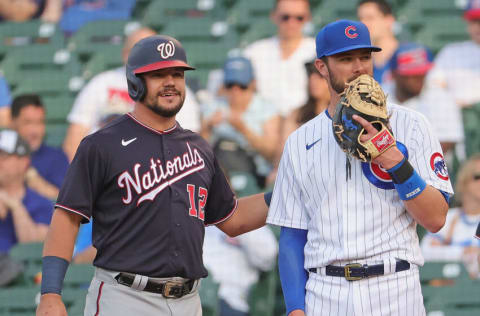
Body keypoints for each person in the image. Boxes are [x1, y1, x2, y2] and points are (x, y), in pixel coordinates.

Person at [36, 35, 272, 316]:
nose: (170, 81)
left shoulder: (199, 148)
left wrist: (287, 193)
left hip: (188, 300)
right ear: (136, 83)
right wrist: (51, 293)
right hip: (125, 296)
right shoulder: (101, 144)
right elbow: (67, 217)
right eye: (158, 75)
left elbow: (233, 218)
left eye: (177, 73)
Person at [267, 20, 453, 316]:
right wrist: (295, 309)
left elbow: (435, 219)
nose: (359, 67)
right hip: (327, 292)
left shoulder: (412, 125)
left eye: (365, 57)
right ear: (322, 67)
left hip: (394, 286)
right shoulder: (299, 141)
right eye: (345, 59)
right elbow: (292, 236)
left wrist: (396, 163)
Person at [62, 27, 201, 162]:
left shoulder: (175, 90)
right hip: (102, 167)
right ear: (125, 55)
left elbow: (188, 148)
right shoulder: (101, 83)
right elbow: (73, 141)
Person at [201, 56, 281, 185]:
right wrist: (208, 127)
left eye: (242, 86)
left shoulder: (266, 108)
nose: (235, 91)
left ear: (252, 84)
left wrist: (243, 129)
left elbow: (271, 154)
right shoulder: (213, 106)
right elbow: (197, 153)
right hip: (218, 172)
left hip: (254, 175)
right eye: (230, 85)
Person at [384, 43, 464, 155]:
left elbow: (447, 141)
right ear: (394, 74)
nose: (419, 78)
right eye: (411, 74)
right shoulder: (379, 95)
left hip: (431, 166)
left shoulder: (441, 96)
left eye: (422, 73)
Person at [243, 0, 316, 116]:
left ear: (308, 18)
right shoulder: (255, 52)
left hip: (304, 122)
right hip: (263, 124)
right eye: (285, 17)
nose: (292, 23)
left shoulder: (317, 50)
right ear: (274, 16)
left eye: (299, 18)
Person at [203, 225, 278, 316]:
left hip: (227, 299)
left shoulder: (249, 220)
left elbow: (268, 256)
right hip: (190, 293)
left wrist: (235, 217)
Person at [0, 129, 53, 254]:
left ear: (24, 162)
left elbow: (32, 247)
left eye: (3, 156)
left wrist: (16, 207)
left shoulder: (41, 204)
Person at [421, 154, 480, 265]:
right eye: (477, 177)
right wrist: (462, 252)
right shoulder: (450, 217)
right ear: (464, 182)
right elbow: (426, 251)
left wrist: (445, 248)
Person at [11, 94, 69, 200]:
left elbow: (67, 204)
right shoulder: (3, 157)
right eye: (28, 122)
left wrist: (35, 182)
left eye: (40, 122)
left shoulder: (57, 158)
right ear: (13, 123)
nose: (35, 131)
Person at [426, 0, 480, 109]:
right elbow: (433, 85)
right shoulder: (451, 51)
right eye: (475, 21)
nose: (478, 26)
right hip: (457, 118)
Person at [357, 0, 398, 84]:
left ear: (389, 20)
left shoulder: (405, 57)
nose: (363, 24)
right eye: (360, 19)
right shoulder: (360, 65)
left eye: (370, 18)